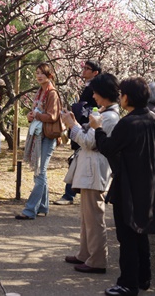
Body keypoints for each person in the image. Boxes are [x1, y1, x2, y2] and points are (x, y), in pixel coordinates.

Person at [91, 77, 155, 296]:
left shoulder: (128, 122)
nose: (120, 96)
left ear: (128, 97)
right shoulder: (152, 118)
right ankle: (144, 277)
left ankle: (127, 284)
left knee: (127, 237)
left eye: (122, 93)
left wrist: (98, 128)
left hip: (129, 187)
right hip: (149, 184)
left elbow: (108, 148)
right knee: (140, 232)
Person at [61, 73, 120, 274]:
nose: (93, 95)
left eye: (95, 91)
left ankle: (97, 260)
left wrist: (73, 125)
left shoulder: (110, 117)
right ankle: (85, 253)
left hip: (96, 171)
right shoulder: (105, 113)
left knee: (94, 217)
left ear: (104, 93)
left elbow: (91, 141)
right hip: (90, 170)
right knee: (87, 216)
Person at [16, 62, 63, 220]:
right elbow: (38, 112)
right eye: (37, 73)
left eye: (42, 73)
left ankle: (30, 210)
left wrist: (36, 115)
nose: (38, 76)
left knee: (40, 172)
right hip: (38, 134)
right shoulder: (40, 92)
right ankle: (43, 206)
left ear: (49, 75)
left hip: (47, 136)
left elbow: (53, 116)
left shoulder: (51, 93)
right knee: (39, 172)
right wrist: (31, 115)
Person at [54, 60, 101, 205]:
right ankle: (70, 193)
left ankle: (69, 195)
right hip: (82, 126)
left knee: (77, 159)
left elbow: (93, 108)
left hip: (87, 127)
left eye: (88, 69)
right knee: (76, 159)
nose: (84, 71)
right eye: (84, 68)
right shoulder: (89, 86)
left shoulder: (95, 88)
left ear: (95, 73)